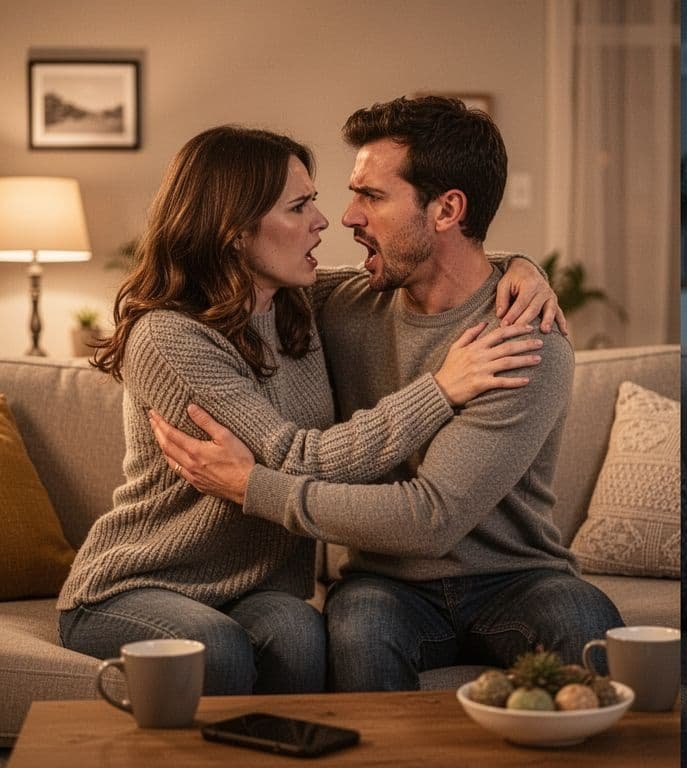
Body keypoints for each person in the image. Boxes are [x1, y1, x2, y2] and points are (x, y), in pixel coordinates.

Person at [58, 126, 560, 695]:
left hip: (254, 589)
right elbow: (295, 457)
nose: (328, 220)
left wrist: (521, 267)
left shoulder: (300, 301)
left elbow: (443, 261)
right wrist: (442, 388)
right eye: (300, 206)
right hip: (142, 583)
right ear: (234, 232)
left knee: (301, 635)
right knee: (213, 648)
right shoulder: (170, 337)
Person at [150, 96, 625, 691]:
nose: (345, 217)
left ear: (448, 210)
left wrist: (254, 487)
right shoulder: (336, 304)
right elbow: (227, 273)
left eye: (371, 196)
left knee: (591, 624)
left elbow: (430, 519)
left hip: (518, 578)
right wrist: (520, 262)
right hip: (385, 584)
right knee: (357, 633)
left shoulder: (522, 340)